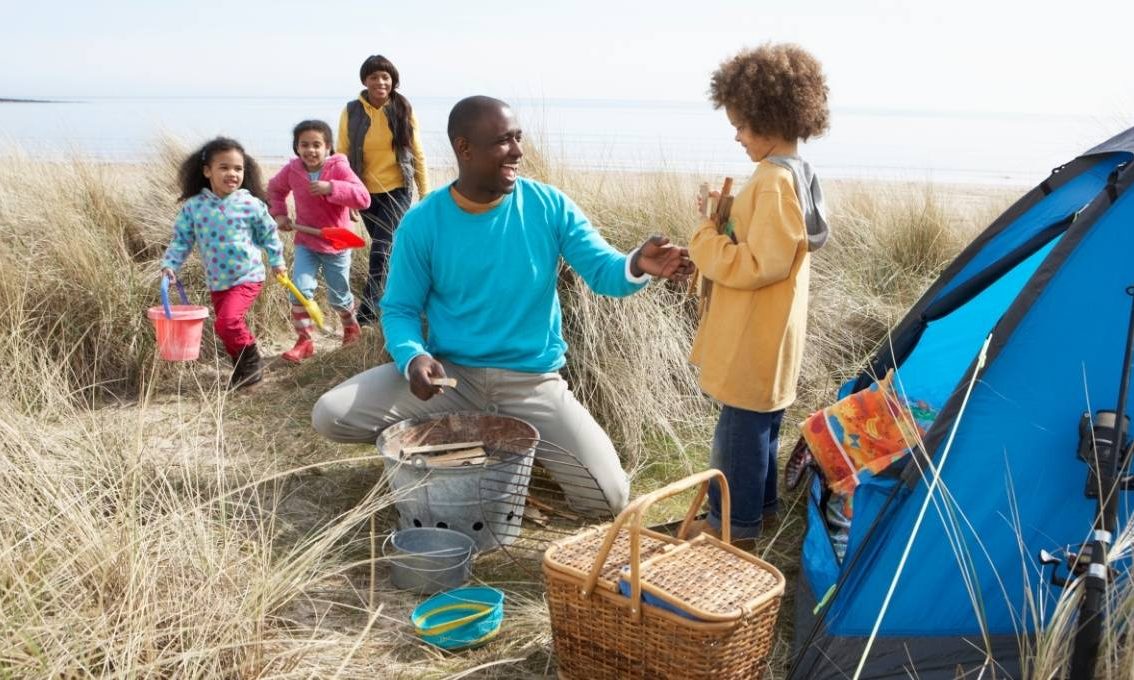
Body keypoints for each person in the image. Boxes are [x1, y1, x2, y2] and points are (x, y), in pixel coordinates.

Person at [313, 96, 691, 513]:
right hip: (451, 381)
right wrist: (412, 357)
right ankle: (454, 444)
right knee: (331, 414)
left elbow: (606, 273)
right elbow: (399, 309)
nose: (517, 151)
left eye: (518, 138)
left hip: (532, 384)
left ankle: (504, 449)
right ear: (465, 148)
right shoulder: (423, 221)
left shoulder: (549, 206)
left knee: (608, 499)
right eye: (503, 141)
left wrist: (637, 264)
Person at [689, 43, 831, 542]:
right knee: (761, 428)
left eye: (742, 125)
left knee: (738, 438)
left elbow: (758, 263)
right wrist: (726, 215)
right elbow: (773, 245)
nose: (737, 134)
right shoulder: (796, 173)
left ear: (769, 120)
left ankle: (732, 529)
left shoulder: (772, 181)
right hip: (773, 331)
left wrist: (705, 236)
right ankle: (762, 511)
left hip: (753, 335)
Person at [160, 137, 286, 389]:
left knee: (227, 322)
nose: (232, 173)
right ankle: (243, 371)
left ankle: (252, 363)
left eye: (238, 169)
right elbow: (182, 240)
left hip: (248, 276)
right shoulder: (194, 207)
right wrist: (170, 264)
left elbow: (269, 235)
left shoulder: (251, 204)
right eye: (224, 167)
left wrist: (277, 262)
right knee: (225, 328)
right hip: (217, 280)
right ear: (207, 171)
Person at [268, 120, 372, 362]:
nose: (310, 150)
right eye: (304, 145)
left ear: (328, 148)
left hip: (336, 243)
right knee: (300, 292)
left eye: (317, 144)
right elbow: (274, 190)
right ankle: (304, 342)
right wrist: (280, 213)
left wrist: (331, 188)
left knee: (338, 296)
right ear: (296, 147)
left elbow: (363, 199)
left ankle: (350, 328)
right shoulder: (292, 170)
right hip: (306, 241)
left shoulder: (339, 168)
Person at [337, 54, 429, 325]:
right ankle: (401, 300)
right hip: (363, 193)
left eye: (385, 77)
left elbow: (418, 153)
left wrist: (425, 194)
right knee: (389, 252)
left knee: (381, 250)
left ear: (393, 81)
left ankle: (367, 314)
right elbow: (341, 154)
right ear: (365, 80)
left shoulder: (402, 109)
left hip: (398, 190)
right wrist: (345, 197)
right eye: (374, 76)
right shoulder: (352, 110)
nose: (380, 82)